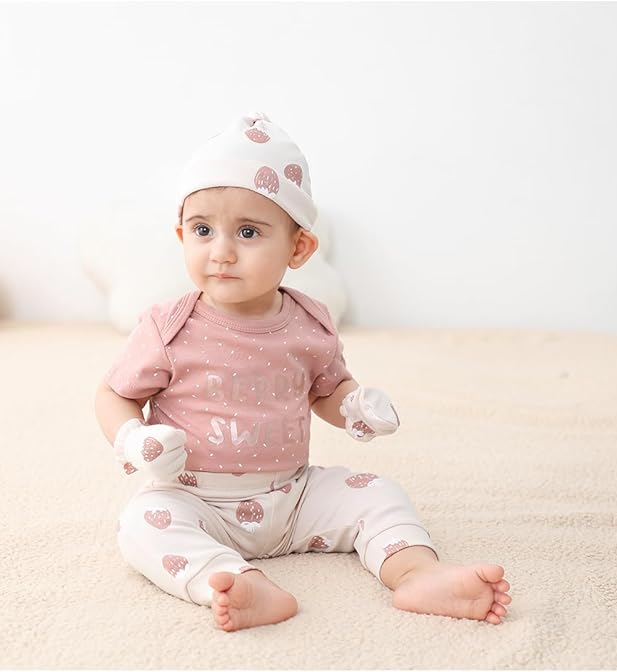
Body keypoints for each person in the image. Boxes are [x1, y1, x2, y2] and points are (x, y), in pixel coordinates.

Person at [94, 112, 511, 632]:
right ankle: (235, 581)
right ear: (182, 236)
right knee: (142, 526)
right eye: (202, 230)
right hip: (193, 497)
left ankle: (416, 573)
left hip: (292, 496)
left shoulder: (309, 322)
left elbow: (327, 390)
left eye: (248, 232)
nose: (221, 251)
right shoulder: (168, 326)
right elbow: (114, 394)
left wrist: (355, 407)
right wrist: (134, 439)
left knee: (377, 493)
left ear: (298, 248)